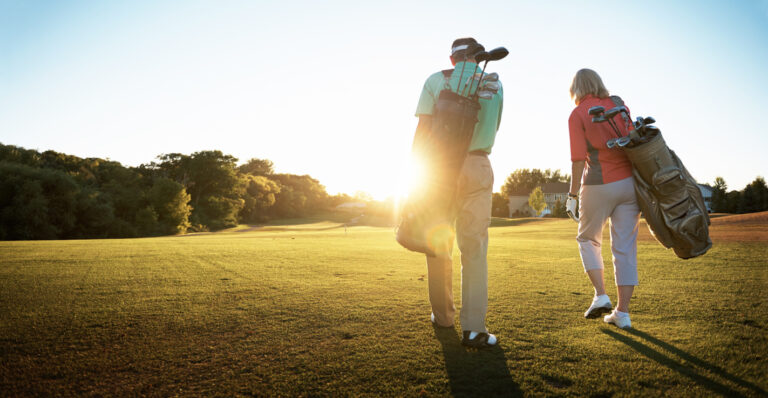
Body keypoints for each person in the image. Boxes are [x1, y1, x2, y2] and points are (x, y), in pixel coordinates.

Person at [412, 37, 504, 347]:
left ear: (452, 59)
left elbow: (422, 132)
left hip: (439, 168)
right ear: (478, 58)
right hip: (477, 164)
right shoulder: (494, 83)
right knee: (474, 250)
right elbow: (495, 127)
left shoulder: (435, 80)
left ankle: (443, 317)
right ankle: (474, 329)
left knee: (438, 243)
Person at [566, 68, 640, 329]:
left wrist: (572, 194)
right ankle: (622, 313)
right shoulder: (619, 105)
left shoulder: (577, 114)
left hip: (598, 184)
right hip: (630, 185)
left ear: (576, 88)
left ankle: (601, 295)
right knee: (625, 248)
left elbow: (577, 160)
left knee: (587, 239)